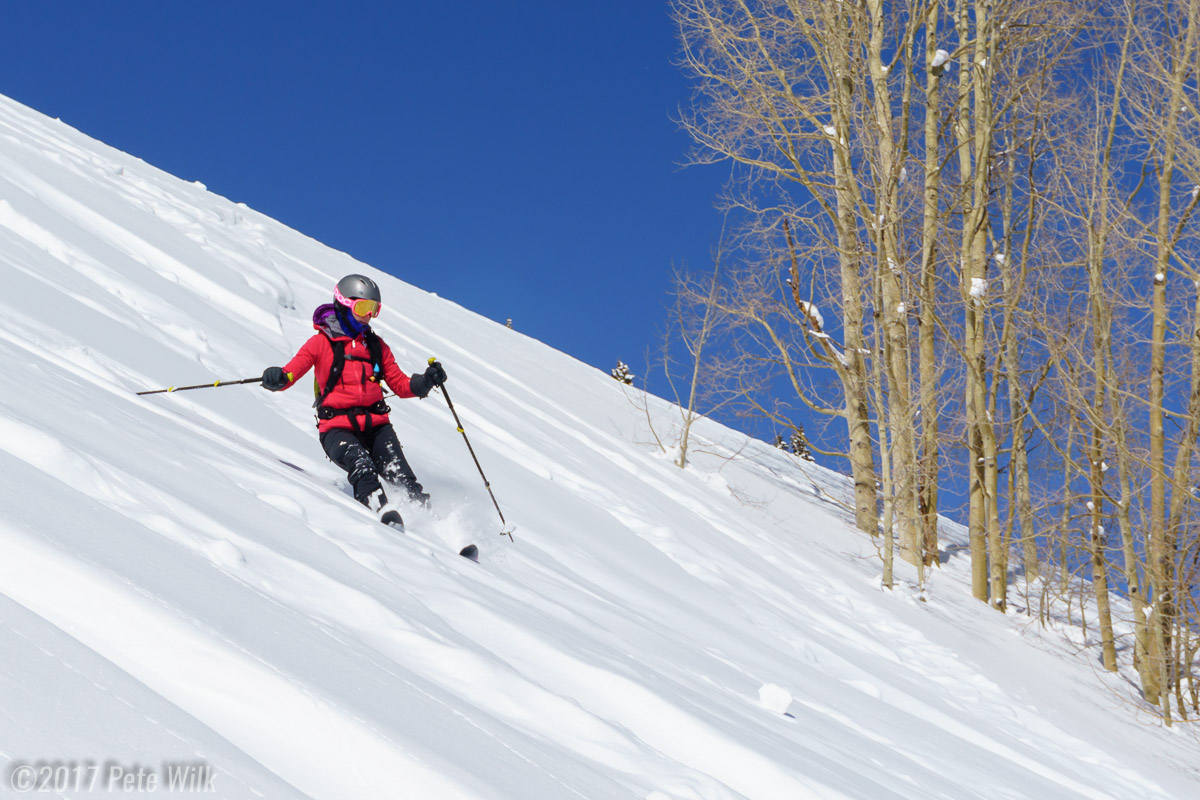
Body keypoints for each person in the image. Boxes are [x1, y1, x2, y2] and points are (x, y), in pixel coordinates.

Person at [260, 274, 447, 525]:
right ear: (344, 304)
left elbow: (401, 384)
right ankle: (381, 512)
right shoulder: (321, 343)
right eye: (363, 307)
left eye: (374, 309)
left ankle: (437, 528)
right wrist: (278, 377)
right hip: (337, 429)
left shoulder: (377, 347)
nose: (368, 315)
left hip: (377, 427)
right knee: (363, 467)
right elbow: (292, 372)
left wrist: (425, 382)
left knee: (402, 478)